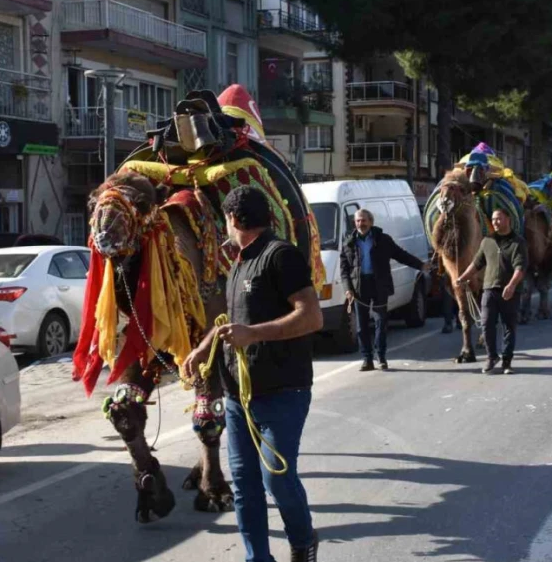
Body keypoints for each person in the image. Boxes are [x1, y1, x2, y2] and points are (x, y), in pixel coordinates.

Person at [183, 186, 322, 562]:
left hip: (282, 392)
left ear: (233, 219)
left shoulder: (281, 256)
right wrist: (203, 346)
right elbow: (231, 321)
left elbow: (311, 315)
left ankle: (303, 539)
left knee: (276, 478)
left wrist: (254, 334)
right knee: (244, 486)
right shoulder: (239, 263)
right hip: (237, 397)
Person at [339, 209, 430, 371]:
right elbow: (344, 269)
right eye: (358, 221)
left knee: (381, 321)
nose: (361, 224)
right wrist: (348, 289)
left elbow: (401, 255)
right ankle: (367, 358)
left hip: (379, 284)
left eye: (364, 220)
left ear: (371, 222)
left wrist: (421, 265)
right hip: (359, 287)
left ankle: (381, 356)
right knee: (362, 326)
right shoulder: (349, 242)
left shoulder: (383, 240)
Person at [455, 209, 527, 375]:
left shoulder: (518, 242)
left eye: (499, 219)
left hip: (510, 291)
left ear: (508, 219)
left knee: (509, 326)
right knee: (487, 324)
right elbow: (476, 263)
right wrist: (462, 278)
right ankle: (491, 357)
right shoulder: (487, 241)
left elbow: (520, 268)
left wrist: (511, 285)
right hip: (489, 290)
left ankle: (507, 361)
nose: (495, 222)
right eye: (494, 219)